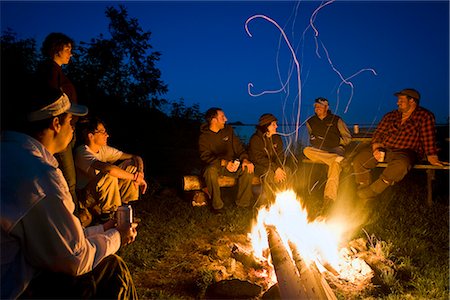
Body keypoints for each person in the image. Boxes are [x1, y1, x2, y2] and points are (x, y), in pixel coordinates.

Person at [1, 87, 138, 299]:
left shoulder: (11, 154)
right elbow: (76, 258)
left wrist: (103, 228)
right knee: (110, 267)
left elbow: (58, 237)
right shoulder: (40, 177)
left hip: (16, 263)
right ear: (56, 124)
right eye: (71, 123)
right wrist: (118, 236)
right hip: (12, 288)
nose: (73, 131)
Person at [354, 88, 447, 199]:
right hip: (385, 149)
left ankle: (373, 190)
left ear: (412, 101)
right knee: (360, 160)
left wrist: (432, 156)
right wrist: (377, 148)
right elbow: (378, 133)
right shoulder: (391, 115)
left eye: (401, 100)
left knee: (402, 164)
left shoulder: (424, 116)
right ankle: (362, 188)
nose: (397, 102)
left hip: (406, 152)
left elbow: (428, 137)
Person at [74, 117, 147, 224]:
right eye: (102, 132)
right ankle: (107, 219)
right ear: (91, 136)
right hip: (87, 196)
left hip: (103, 190)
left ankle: (124, 210)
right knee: (109, 174)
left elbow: (136, 157)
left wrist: (139, 173)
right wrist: (135, 178)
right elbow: (109, 169)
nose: (106, 135)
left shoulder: (103, 149)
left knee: (131, 165)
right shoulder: (82, 152)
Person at [36, 32, 80, 210]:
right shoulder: (49, 71)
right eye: (68, 49)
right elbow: (52, 103)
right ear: (56, 49)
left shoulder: (56, 71)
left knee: (67, 179)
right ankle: (75, 223)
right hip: (59, 132)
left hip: (66, 129)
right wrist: (62, 123)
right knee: (68, 181)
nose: (71, 53)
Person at [198, 107, 255, 212]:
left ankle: (243, 204)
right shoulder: (204, 137)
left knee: (247, 169)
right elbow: (205, 156)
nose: (226, 119)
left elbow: (239, 148)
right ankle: (217, 206)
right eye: (222, 117)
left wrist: (245, 159)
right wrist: (224, 162)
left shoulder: (228, 130)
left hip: (231, 166)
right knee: (210, 171)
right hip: (215, 166)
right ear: (214, 120)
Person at [303, 97, 352, 204]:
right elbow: (311, 136)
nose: (317, 108)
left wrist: (337, 142)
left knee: (334, 166)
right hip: (320, 151)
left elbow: (347, 138)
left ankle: (329, 198)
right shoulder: (310, 122)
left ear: (327, 107)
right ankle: (339, 159)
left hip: (335, 149)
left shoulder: (336, 120)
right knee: (306, 150)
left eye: (320, 106)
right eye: (316, 106)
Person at [248, 113, 288, 204]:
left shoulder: (277, 138)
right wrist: (275, 168)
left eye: (276, 124)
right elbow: (259, 159)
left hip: (274, 165)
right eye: (273, 124)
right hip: (259, 166)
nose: (276, 126)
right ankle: (269, 202)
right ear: (266, 126)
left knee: (287, 171)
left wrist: (279, 167)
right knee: (268, 173)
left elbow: (280, 155)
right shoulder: (256, 139)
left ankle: (283, 200)